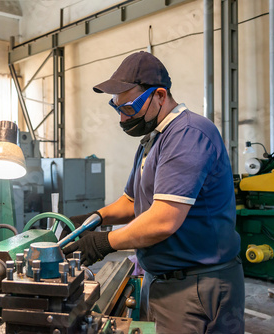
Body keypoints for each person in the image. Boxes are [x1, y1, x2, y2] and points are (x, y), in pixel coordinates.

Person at [62, 51, 245, 333]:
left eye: (130, 108)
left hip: (195, 284)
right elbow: (132, 200)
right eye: (117, 108)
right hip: (163, 279)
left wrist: (104, 242)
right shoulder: (154, 139)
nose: (123, 119)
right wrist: (93, 219)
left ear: (160, 95)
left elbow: (163, 219)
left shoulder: (189, 134)